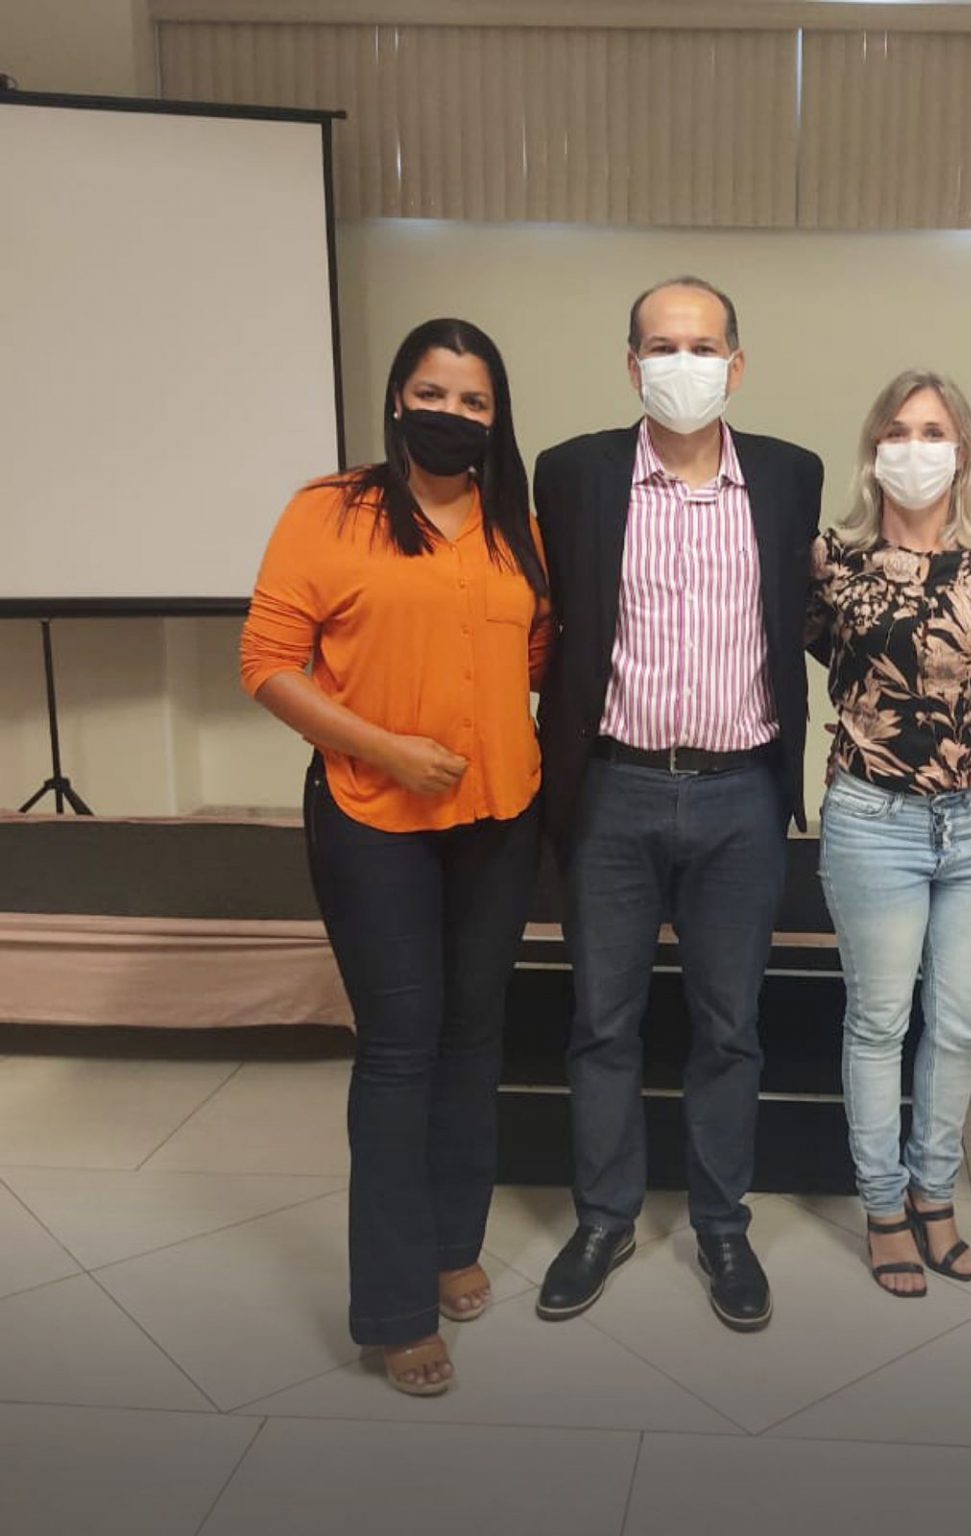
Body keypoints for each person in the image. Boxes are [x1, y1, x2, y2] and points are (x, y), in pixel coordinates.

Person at [240, 319, 552, 1396]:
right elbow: (267, 663)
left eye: (473, 402)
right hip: (373, 816)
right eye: (433, 394)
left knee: (474, 1036)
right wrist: (387, 747)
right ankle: (392, 1309)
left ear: (496, 418)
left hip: (500, 819)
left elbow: (538, 653)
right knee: (401, 1049)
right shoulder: (330, 511)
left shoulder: (517, 526)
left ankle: (452, 1242)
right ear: (396, 400)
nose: (451, 416)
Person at [532, 277, 823, 1332]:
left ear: (736, 365)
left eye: (702, 347)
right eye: (662, 346)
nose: (682, 365)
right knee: (601, 1023)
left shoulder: (789, 476)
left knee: (729, 1028)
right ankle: (604, 1219)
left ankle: (721, 1227)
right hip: (612, 788)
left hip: (742, 794)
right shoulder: (573, 473)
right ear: (631, 365)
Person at [808, 371, 971, 1297]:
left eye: (933, 431)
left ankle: (935, 1194)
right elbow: (819, 656)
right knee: (880, 1019)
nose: (914, 447)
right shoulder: (833, 558)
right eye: (897, 431)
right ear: (873, 450)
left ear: (963, 450)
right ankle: (883, 1207)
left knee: (963, 1020)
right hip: (874, 820)